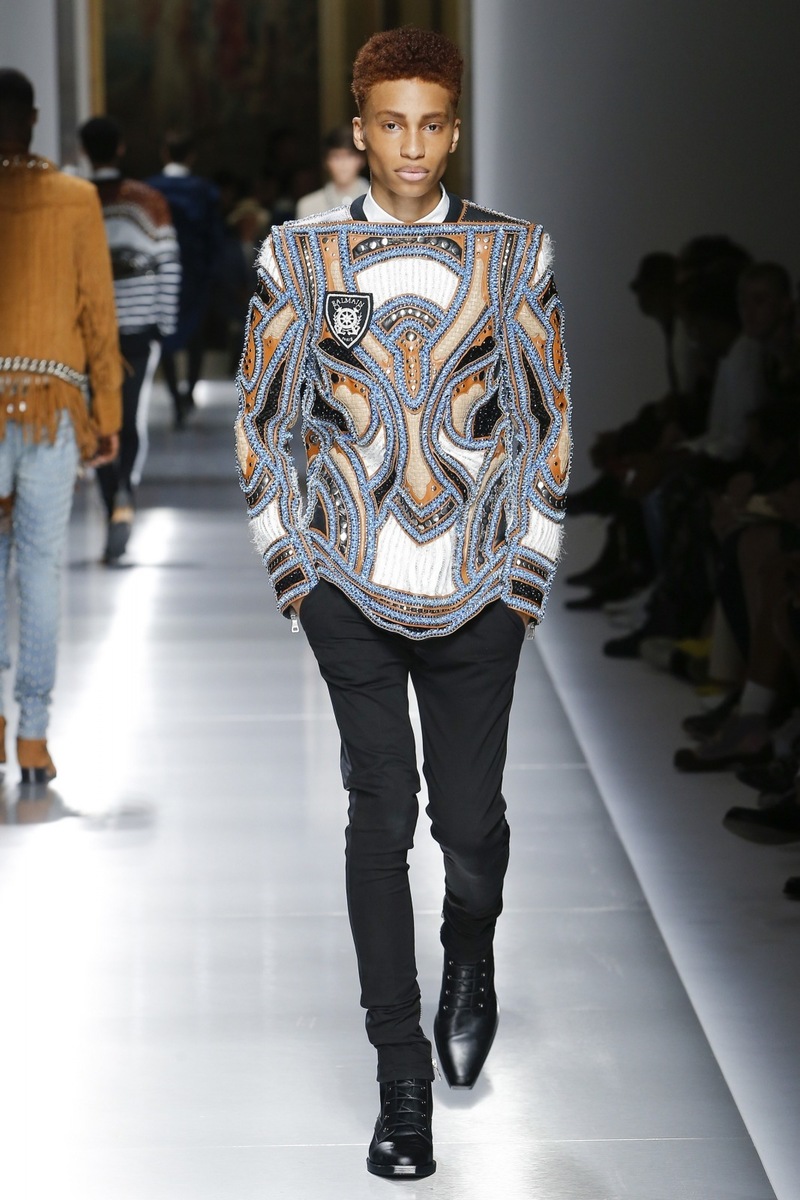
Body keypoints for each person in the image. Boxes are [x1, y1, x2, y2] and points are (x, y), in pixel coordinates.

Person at [234, 27, 572, 1179]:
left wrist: (523, 580)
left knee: (466, 824)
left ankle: (469, 947)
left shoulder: (515, 255)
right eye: (391, 123)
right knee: (379, 818)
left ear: (454, 130)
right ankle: (401, 1082)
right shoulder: (302, 259)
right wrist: (295, 575)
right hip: (348, 585)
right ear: (360, 129)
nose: (412, 145)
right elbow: (262, 423)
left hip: (479, 591)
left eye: (431, 124)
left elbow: (547, 421)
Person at [0, 69, 121, 781]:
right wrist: (107, 413)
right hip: (52, 404)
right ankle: (33, 736)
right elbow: (97, 314)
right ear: (35, 119)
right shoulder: (76, 199)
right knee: (40, 567)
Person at [79, 115, 181, 561]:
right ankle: (124, 492)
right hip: (141, 326)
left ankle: (111, 507)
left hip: (89, 331)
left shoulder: (76, 201)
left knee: (98, 418)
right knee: (130, 416)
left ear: (85, 151)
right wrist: (165, 323)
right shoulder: (148, 201)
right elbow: (168, 263)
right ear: (120, 147)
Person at [147, 131, 222, 426]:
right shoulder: (204, 191)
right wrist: (213, 271)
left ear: (164, 153)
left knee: (164, 332)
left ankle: (176, 397)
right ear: (191, 156)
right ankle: (188, 393)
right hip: (195, 271)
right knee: (195, 333)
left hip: (161, 271)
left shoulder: (150, 189)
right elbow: (214, 235)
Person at [295, 125, 368, 218]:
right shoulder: (308, 206)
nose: (343, 164)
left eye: (350, 156)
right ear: (326, 162)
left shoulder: (379, 202)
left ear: (361, 159)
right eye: (336, 157)